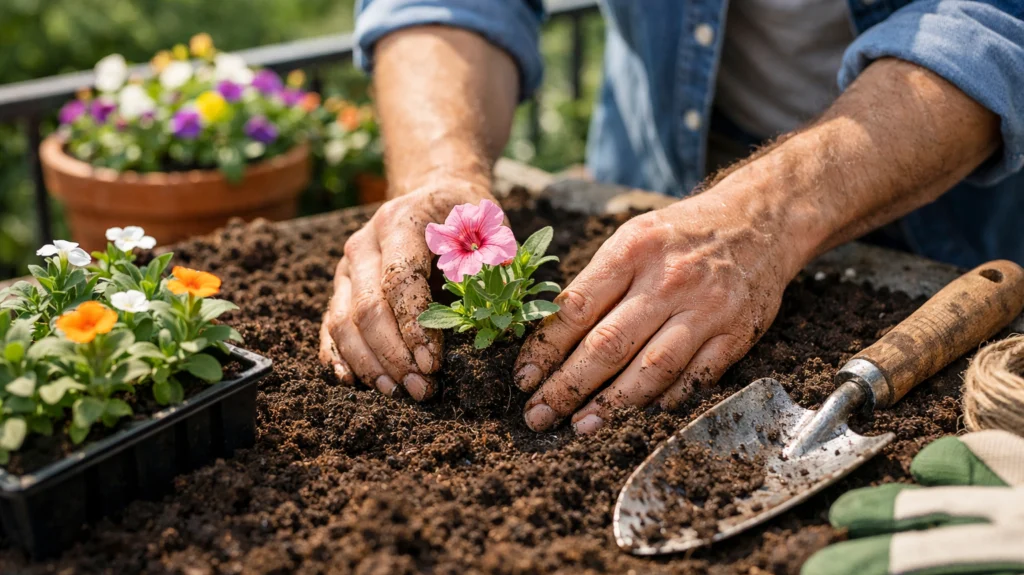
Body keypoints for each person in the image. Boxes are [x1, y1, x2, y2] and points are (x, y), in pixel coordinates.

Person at [319, 0, 1024, 435]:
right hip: (654, 165)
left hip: (939, 196)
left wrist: (762, 217)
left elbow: (992, 23)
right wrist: (443, 173)